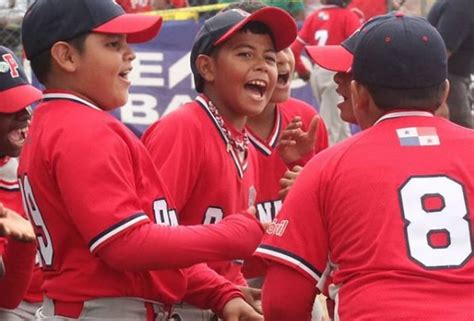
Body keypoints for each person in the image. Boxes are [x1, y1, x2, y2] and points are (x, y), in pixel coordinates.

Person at [18, 0, 267, 320]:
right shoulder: (84, 129)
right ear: (67, 56)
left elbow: (149, 239)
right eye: (112, 44)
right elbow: (125, 245)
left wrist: (219, 293)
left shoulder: (59, 122)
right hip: (104, 309)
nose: (130, 54)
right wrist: (230, 235)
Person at [256, 12, 474, 321]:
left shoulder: (330, 165)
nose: (337, 82)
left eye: (345, 76)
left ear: (359, 93)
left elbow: (281, 303)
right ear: (445, 94)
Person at [142, 6, 297, 320]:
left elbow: (227, 258)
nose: (262, 66)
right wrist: (222, 291)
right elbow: (152, 244)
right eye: (244, 54)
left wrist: (236, 287)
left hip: (210, 303)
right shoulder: (183, 129)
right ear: (207, 68)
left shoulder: (242, 143)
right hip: (168, 307)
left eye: (269, 57)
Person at [0, 45, 42, 319]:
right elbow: (7, 300)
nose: (26, 114)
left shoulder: (37, 157)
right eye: (9, 106)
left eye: (25, 103)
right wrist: (24, 244)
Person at [291, 0, 361, 145]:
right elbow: (360, 47)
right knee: (332, 125)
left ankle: (345, 156)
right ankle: (326, 162)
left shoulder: (314, 16)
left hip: (318, 70)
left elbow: (294, 49)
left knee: (341, 125)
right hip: (337, 72)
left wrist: (303, 71)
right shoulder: (348, 16)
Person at [428, 0, 474, 129]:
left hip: (457, 79)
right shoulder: (462, 7)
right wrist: (440, 101)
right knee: (465, 136)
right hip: (448, 81)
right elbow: (437, 56)